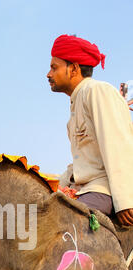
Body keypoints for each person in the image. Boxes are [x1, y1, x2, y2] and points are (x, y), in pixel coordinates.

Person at [47, 34, 133, 226]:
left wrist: (125, 201)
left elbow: (117, 145)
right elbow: (81, 164)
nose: (49, 74)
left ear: (74, 69)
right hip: (83, 190)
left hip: (102, 191)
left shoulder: (97, 91)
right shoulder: (75, 108)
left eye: (54, 67)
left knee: (56, 224)